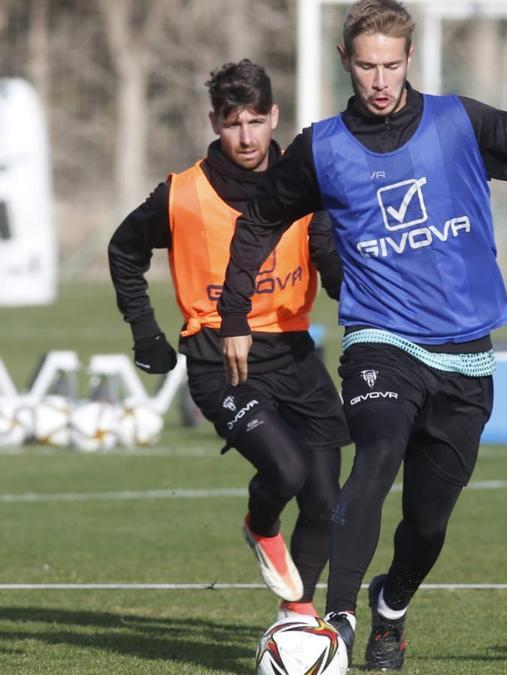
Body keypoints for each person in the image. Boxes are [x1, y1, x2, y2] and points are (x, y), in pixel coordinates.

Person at [215, 0, 507, 669]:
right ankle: (335, 617)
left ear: (409, 60)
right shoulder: (322, 148)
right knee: (375, 455)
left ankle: (389, 606)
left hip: (465, 353)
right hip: (380, 339)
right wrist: (233, 317)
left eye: (390, 66)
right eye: (366, 66)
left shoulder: (458, 121)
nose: (378, 80)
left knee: (427, 522)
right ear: (345, 61)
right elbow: (257, 220)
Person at [107, 59, 349, 619]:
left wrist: (358, 292)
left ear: (275, 118)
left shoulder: (305, 184)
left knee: (324, 500)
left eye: (257, 122)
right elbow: (124, 250)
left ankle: (299, 619)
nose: (247, 137)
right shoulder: (183, 195)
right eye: (234, 123)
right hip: (221, 361)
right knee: (285, 472)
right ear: (214, 121)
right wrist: (147, 334)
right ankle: (259, 525)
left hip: (294, 352)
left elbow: (329, 260)